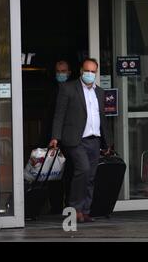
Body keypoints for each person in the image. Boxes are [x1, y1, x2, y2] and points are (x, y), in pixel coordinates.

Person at [49, 58, 111, 223]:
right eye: (87, 71)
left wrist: (107, 143)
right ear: (81, 71)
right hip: (76, 139)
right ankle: (74, 209)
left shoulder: (100, 92)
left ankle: (85, 210)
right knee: (82, 169)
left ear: (96, 73)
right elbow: (59, 114)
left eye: (93, 71)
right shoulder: (68, 89)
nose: (90, 74)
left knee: (90, 176)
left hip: (94, 139)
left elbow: (103, 119)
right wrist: (55, 136)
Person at [40, 60, 72, 214]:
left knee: (71, 173)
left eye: (63, 71)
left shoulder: (73, 90)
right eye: (58, 71)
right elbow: (48, 117)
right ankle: (56, 206)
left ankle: (71, 205)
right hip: (52, 139)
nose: (61, 74)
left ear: (69, 72)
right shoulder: (51, 91)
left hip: (70, 139)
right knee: (54, 174)